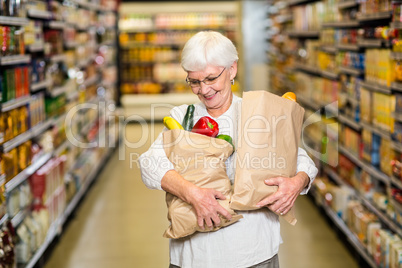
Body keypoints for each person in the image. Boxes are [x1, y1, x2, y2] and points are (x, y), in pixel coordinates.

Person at [139, 31, 318, 268]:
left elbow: (301, 159)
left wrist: (297, 182)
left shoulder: (258, 113)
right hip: (195, 256)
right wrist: (191, 193)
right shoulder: (182, 117)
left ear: (232, 70)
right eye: (194, 81)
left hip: (253, 252)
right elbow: (149, 163)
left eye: (211, 78)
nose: (203, 90)